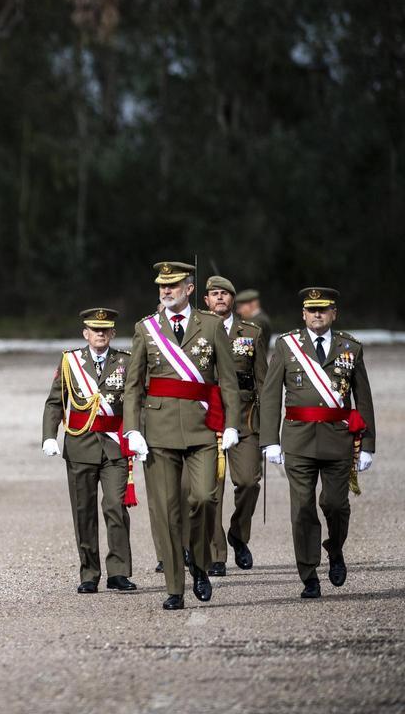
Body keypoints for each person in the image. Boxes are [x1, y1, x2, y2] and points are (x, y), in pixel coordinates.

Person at [122, 261, 241, 610]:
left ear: (189, 288)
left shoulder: (212, 325)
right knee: (167, 512)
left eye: (173, 285)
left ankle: (200, 564)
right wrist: (132, 429)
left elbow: (228, 382)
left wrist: (232, 423)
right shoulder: (146, 329)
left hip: (202, 429)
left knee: (204, 499)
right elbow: (133, 386)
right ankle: (174, 587)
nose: (165, 291)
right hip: (157, 433)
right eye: (161, 286)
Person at [259, 287, 376, 599]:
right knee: (302, 510)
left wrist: (367, 444)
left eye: (323, 309)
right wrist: (269, 440)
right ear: (303, 314)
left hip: (338, 439)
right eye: (312, 310)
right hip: (298, 439)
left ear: (333, 313)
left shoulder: (351, 347)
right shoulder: (287, 346)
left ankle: (335, 550)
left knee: (335, 504)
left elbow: (363, 399)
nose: (317, 315)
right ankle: (309, 574)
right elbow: (270, 396)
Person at [41, 308, 135, 593]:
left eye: (105, 330)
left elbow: (133, 401)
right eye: (95, 330)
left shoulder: (125, 361)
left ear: (113, 334)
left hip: (114, 448)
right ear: (86, 333)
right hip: (80, 446)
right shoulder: (70, 361)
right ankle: (89, 573)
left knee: (115, 506)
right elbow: (55, 402)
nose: (101, 335)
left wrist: (138, 435)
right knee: (84, 512)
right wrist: (49, 436)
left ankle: (118, 572)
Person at [201, 276, 268, 575]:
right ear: (205, 300)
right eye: (214, 294)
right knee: (211, 489)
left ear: (232, 300)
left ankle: (239, 536)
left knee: (249, 482)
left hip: (244, 417)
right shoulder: (196, 332)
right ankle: (217, 553)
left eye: (225, 294)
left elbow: (264, 383)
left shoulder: (251, 333)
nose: (219, 298)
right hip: (207, 418)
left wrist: (268, 431)